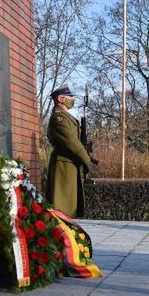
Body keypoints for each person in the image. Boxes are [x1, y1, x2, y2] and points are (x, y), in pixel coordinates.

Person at [45, 84, 92, 218]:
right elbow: (71, 142)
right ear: (61, 99)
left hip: (69, 165)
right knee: (62, 210)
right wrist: (86, 160)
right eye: (69, 97)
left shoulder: (65, 116)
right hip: (63, 167)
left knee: (68, 210)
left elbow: (75, 140)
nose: (72, 99)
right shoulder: (58, 117)